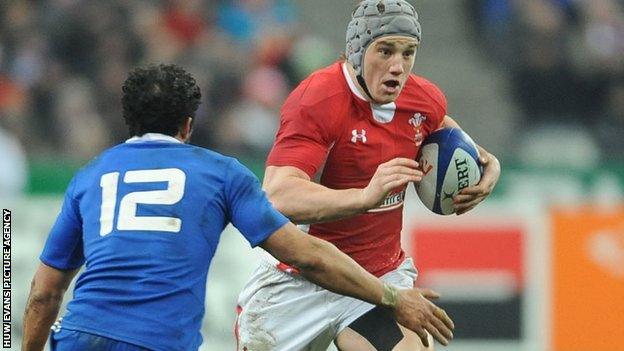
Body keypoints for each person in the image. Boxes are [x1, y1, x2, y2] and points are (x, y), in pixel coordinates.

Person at [21, 64, 454, 351]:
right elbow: (306, 256)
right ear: (188, 125)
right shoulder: (219, 174)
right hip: (160, 343)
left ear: (126, 120)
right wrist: (392, 296)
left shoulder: (89, 178)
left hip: (80, 337)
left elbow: (43, 294)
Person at [236, 1, 501, 350]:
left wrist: (489, 163)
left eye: (408, 53)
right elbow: (278, 195)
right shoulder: (319, 99)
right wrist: (363, 196)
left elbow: (443, 130)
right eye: (386, 51)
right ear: (358, 52)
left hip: (378, 280)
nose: (397, 66)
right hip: (299, 279)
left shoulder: (423, 100)